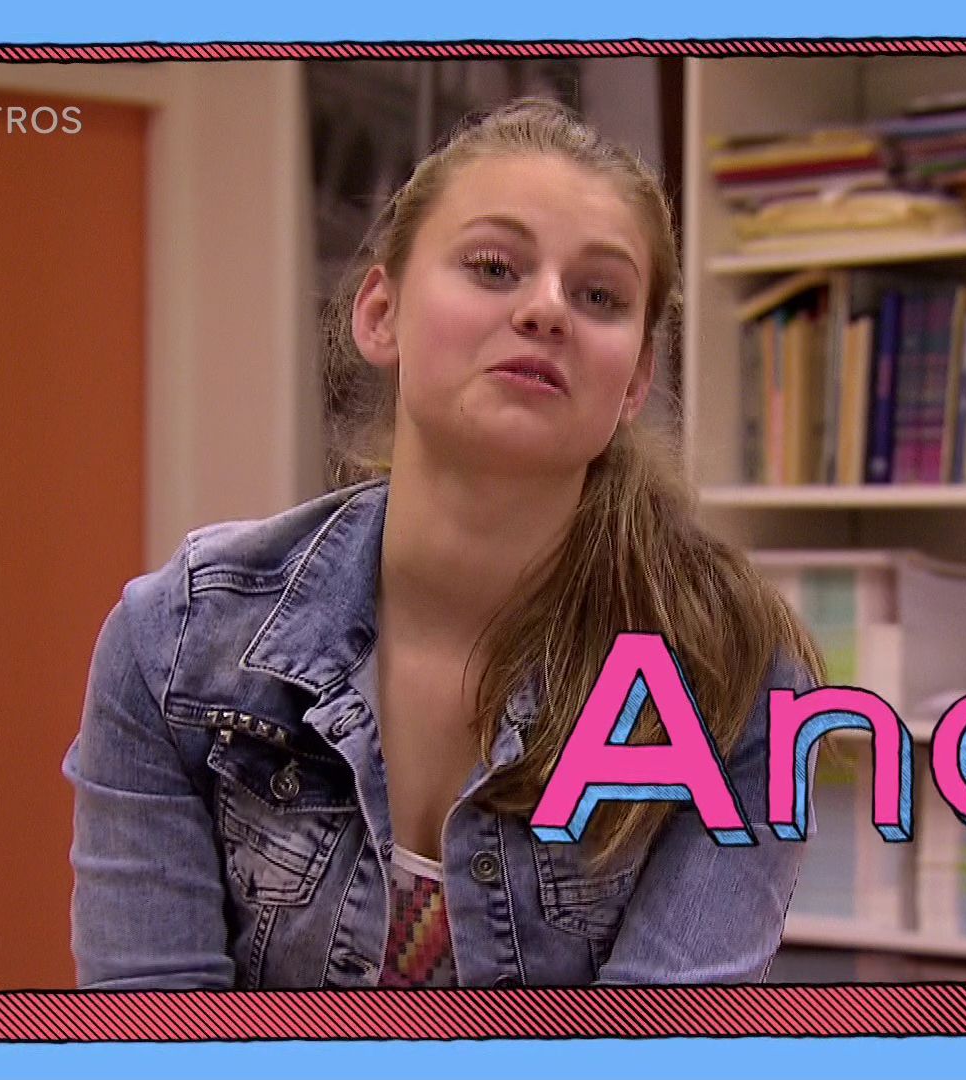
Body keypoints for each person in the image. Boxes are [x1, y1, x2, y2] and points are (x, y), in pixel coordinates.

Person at [63, 98, 823, 990]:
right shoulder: (175, 647)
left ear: (635, 383)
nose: (546, 309)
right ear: (381, 313)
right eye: (494, 267)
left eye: (600, 296)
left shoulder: (735, 677)